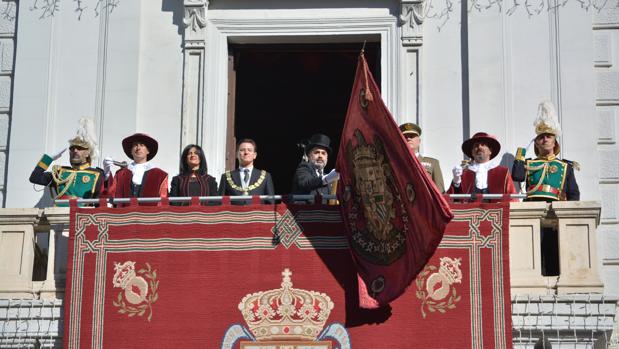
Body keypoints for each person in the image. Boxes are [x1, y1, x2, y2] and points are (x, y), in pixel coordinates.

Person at [512, 101, 580, 201]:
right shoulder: (529, 163)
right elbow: (517, 176)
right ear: (536, 143)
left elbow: (573, 194)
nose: (545, 139)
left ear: (554, 142)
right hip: (533, 206)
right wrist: (520, 153)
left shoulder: (566, 166)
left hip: (557, 207)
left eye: (549, 136)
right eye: (541, 137)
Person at [29, 118, 106, 206]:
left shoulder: (97, 174)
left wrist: (107, 176)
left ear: (88, 153)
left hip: (82, 215)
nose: (75, 151)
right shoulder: (59, 173)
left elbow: (100, 201)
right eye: (72, 148)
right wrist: (48, 159)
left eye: (80, 148)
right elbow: (35, 178)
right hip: (58, 215)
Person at [447, 132, 516, 200]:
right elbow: (453, 199)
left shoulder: (503, 172)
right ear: (472, 153)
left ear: (490, 151)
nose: (479, 147)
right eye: (476, 146)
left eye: (483, 145)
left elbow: (512, 198)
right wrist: (456, 182)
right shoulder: (464, 173)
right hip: (470, 210)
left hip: (495, 210)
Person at [103, 133, 168, 206]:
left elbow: (162, 203)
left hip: (149, 216)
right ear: (131, 151)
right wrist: (107, 173)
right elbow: (111, 195)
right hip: (124, 215)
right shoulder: (121, 174)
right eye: (135, 145)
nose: (138, 148)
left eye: (142, 145)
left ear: (148, 151)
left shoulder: (160, 175)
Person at [218, 138, 274, 203]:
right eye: (242, 150)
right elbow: (219, 203)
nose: (246, 152)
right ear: (236, 154)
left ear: (255, 155)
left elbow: (271, 203)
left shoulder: (266, 176)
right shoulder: (226, 177)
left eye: (249, 150)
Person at [291, 133, 340, 201]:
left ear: (327, 158)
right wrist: (326, 179)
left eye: (323, 153)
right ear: (309, 156)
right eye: (317, 152)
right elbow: (306, 183)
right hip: (304, 210)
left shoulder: (330, 178)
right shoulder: (303, 168)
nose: (320, 156)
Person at [399, 122, 445, 193]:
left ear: (419, 141)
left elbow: (440, 191)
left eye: (412, 136)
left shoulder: (433, 163)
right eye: (405, 137)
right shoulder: (395, 162)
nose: (408, 138)